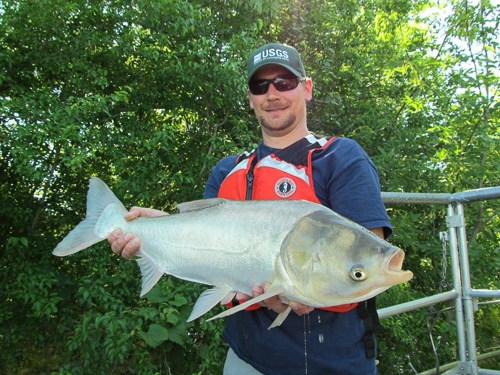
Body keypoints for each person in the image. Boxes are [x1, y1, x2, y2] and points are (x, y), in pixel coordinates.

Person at [109, 42, 392, 375]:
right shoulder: (226, 170)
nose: (272, 93)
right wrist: (154, 232)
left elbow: (365, 261)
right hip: (246, 359)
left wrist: (299, 293)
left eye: (284, 82)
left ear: (307, 88)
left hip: (332, 363)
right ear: (250, 98)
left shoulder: (340, 157)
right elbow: (206, 248)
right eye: (260, 85)